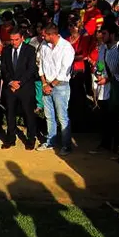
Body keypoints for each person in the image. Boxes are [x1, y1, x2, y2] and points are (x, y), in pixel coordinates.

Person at [38, 23, 75, 155]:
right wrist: (44, 84)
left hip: (61, 86)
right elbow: (41, 64)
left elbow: (64, 71)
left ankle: (66, 145)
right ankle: (50, 141)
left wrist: (50, 85)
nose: (42, 36)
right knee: (49, 116)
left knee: (62, 117)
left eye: (45, 35)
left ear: (52, 34)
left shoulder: (66, 48)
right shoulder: (43, 45)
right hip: (46, 84)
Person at [1, 29, 38, 150]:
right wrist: (11, 82)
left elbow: (31, 69)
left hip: (25, 87)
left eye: (16, 39)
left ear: (22, 38)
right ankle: (10, 139)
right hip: (10, 87)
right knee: (10, 114)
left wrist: (19, 83)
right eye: (11, 40)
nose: (14, 42)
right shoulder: (6, 50)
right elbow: (4, 68)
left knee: (28, 114)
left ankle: (31, 139)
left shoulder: (30, 50)